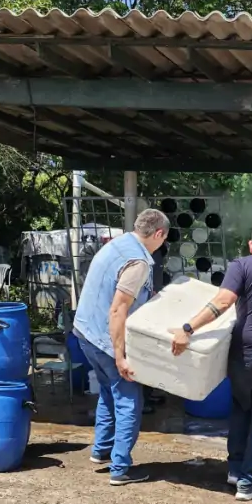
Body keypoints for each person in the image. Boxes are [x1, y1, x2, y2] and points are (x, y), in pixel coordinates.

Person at [170, 223, 252, 501]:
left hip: (246, 353)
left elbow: (224, 301)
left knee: (241, 409)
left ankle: (237, 472)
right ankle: (249, 482)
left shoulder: (242, 265)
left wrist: (189, 328)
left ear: (251, 245)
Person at [73, 208, 169, 486]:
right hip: (105, 338)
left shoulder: (117, 244)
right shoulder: (137, 261)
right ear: (159, 233)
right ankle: (120, 469)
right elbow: (117, 310)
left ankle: (102, 450)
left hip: (85, 331)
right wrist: (121, 356)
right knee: (129, 400)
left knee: (108, 391)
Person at [143, 243, 169, 415]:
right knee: (144, 356)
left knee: (151, 356)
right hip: (145, 313)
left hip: (153, 309)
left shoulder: (155, 255)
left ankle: (148, 393)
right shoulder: (146, 257)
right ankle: (142, 399)